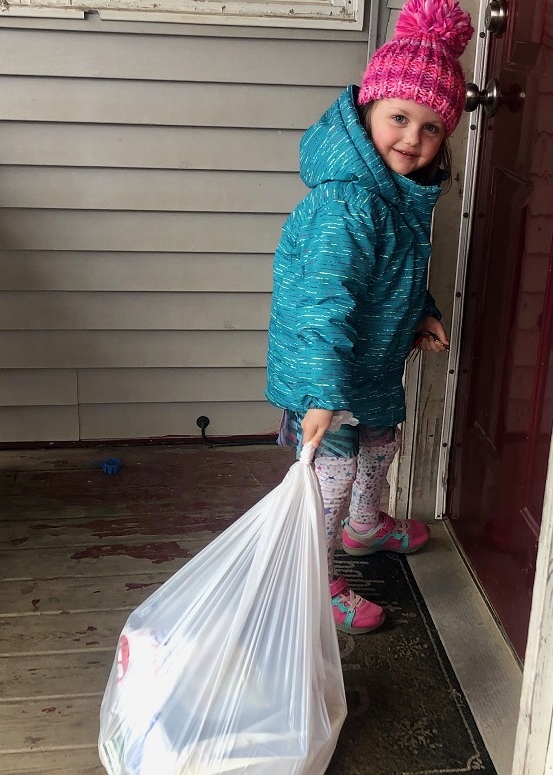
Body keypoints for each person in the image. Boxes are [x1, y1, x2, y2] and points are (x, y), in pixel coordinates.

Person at [265, 0, 474, 634]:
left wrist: (423, 314)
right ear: (367, 112)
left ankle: (365, 529)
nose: (412, 138)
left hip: (374, 362)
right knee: (333, 472)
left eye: (431, 127)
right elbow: (324, 302)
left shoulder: (396, 198)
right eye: (399, 118)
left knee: (381, 445)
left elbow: (395, 278)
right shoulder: (347, 206)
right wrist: (322, 396)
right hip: (328, 370)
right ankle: (313, 575)